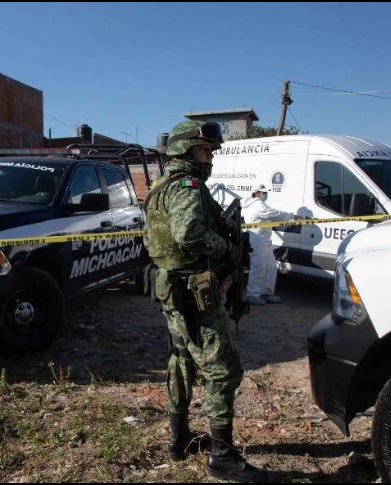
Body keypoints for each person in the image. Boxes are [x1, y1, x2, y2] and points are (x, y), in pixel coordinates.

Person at [143, 120, 268, 482]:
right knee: (223, 370)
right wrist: (227, 248)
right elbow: (188, 233)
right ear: (184, 151)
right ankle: (223, 456)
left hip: (173, 288)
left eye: (211, 151)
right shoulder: (187, 186)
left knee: (181, 361)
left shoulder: (160, 187)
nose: (209, 157)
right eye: (204, 150)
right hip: (193, 292)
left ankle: (179, 439)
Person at [241, 184, 294, 305]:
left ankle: (267, 292)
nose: (265, 194)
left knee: (270, 267)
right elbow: (274, 213)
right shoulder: (257, 205)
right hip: (257, 240)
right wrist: (292, 216)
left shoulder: (256, 204)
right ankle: (252, 295)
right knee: (258, 267)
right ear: (257, 193)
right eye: (263, 192)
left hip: (264, 240)